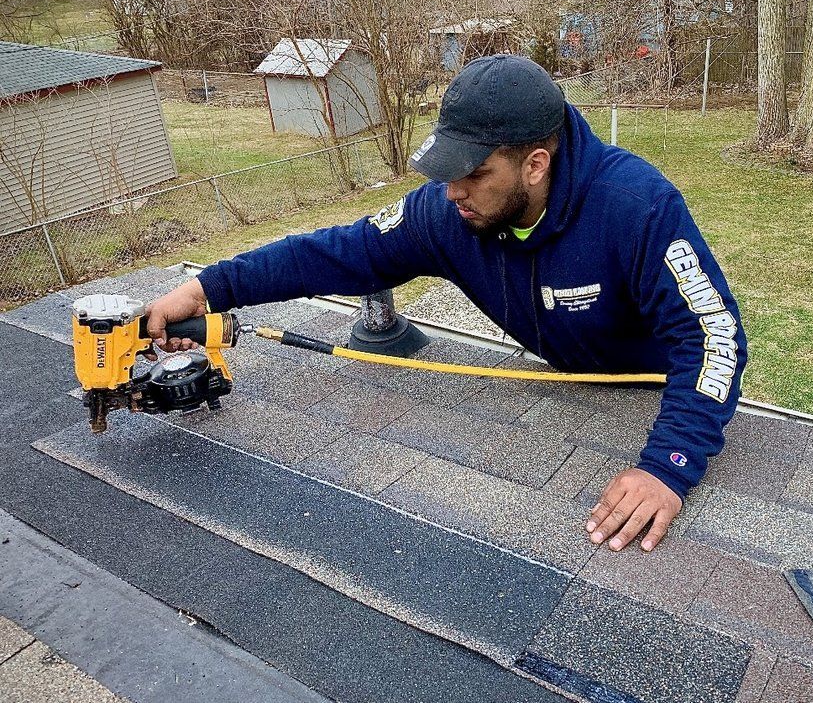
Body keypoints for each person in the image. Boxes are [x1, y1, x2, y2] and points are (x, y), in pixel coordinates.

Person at [146, 55, 747, 554]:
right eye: (445, 172)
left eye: (473, 174)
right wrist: (206, 289)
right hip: (563, 388)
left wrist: (668, 465)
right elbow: (335, 252)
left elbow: (713, 337)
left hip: (655, 394)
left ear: (535, 164)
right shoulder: (449, 212)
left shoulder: (636, 206)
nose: (452, 190)